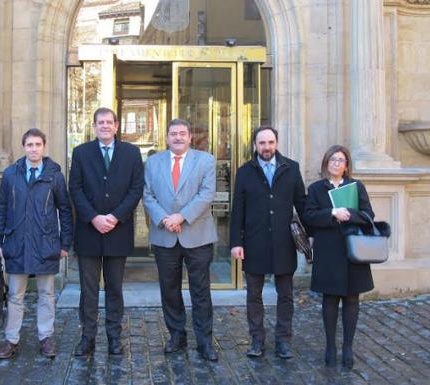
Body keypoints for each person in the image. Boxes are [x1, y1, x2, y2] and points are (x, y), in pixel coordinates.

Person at [0, 128, 73, 359]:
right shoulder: (11, 174)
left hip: (45, 243)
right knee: (15, 295)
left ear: (44, 147)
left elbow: (65, 210)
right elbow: (1, 209)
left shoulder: (54, 175)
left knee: (46, 294)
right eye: (30, 145)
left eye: (38, 144)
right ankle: (11, 340)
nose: (34, 149)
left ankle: (46, 337)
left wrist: (65, 242)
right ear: (24, 147)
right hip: (17, 242)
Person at [69, 107, 144, 356]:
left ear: (116, 126)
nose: (104, 126)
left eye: (108, 122)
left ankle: (114, 337)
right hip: (89, 232)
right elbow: (75, 189)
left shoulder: (131, 153)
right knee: (88, 290)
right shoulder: (80, 153)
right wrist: (93, 217)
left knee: (115, 288)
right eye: (100, 122)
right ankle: (87, 338)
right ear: (94, 126)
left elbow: (136, 189)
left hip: (118, 230)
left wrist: (114, 217)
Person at [143, 118, 219, 361]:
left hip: (197, 235)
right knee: (169, 290)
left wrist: (181, 217)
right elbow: (147, 195)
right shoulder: (153, 162)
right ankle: (177, 336)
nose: (178, 137)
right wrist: (165, 219)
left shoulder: (205, 160)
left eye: (182, 133)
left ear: (189, 137)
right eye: (173, 133)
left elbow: (207, 194)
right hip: (165, 236)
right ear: (166, 137)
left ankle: (205, 342)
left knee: (200, 291)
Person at [229, 126, 306, 359]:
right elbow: (237, 211)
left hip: (284, 243)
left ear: (277, 143)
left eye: (270, 142)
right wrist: (235, 242)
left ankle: (283, 340)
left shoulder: (291, 168)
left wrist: (311, 234)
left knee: (285, 295)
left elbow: (302, 205)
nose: (266, 147)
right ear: (255, 145)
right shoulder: (244, 172)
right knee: (254, 295)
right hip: (254, 242)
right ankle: (257, 340)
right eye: (262, 143)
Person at [303, 144, 375, 369]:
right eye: (333, 160)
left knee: (352, 299)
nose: (336, 164)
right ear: (326, 163)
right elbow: (309, 216)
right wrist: (332, 214)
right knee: (330, 299)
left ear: (346, 165)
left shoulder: (356, 186)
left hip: (353, 249)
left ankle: (348, 347)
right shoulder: (316, 188)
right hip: (328, 250)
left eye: (341, 160)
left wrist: (349, 214)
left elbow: (368, 215)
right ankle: (330, 347)